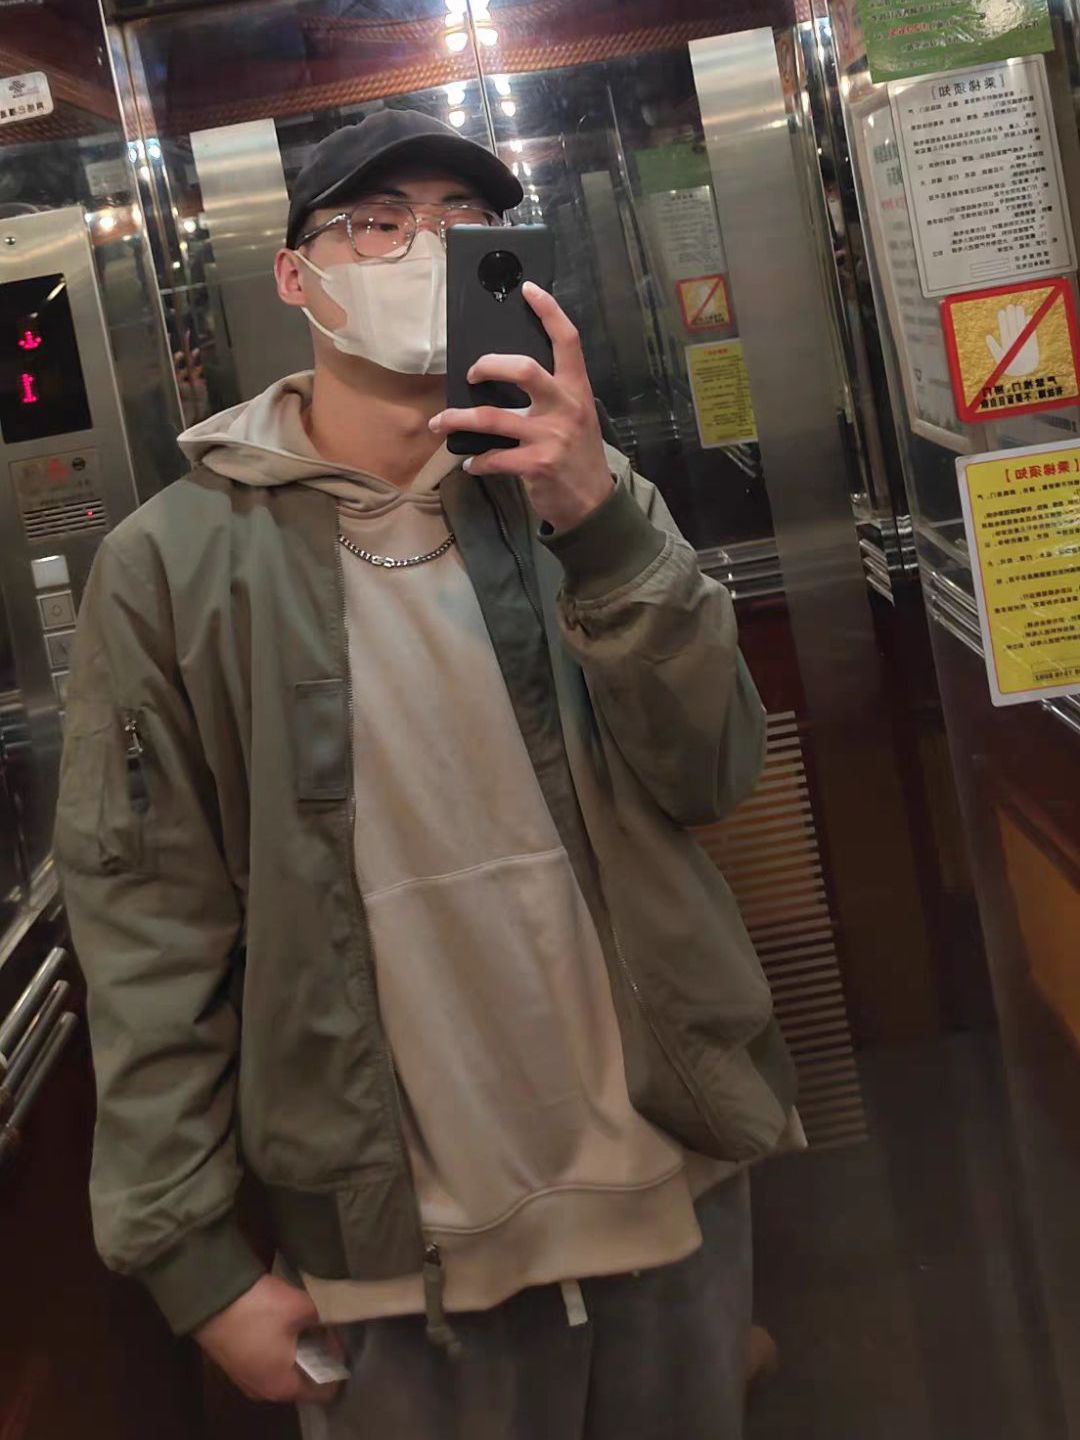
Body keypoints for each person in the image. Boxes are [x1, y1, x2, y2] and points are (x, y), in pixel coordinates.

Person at [55, 108, 797, 1439]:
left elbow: (714, 772)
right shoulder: (170, 565)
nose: (422, 250)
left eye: (462, 227)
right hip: (393, 1239)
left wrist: (602, 527)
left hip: (665, 1171)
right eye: (378, 222)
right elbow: (148, 923)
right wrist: (191, 1256)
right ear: (297, 276)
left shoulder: (589, 491)